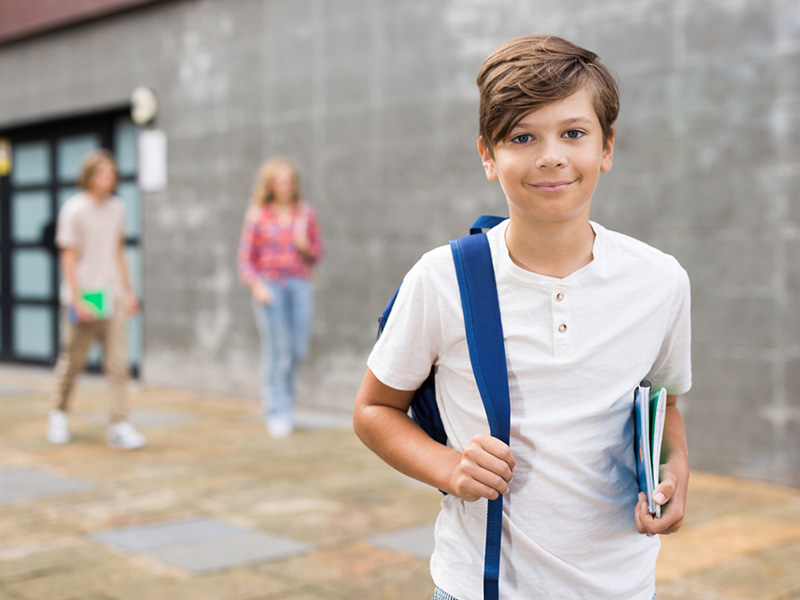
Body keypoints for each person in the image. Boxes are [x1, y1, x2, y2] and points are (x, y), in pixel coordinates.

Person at [353, 35, 691, 600]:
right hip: (479, 586)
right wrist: (447, 467)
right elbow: (373, 409)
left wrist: (676, 470)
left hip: (624, 585)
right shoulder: (443, 280)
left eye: (574, 133)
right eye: (522, 136)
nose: (551, 155)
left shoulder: (660, 281)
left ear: (607, 148)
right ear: (488, 154)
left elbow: (666, 403)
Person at [47, 149, 145, 450]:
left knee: (118, 363)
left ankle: (119, 423)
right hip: (87, 294)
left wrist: (129, 292)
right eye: (103, 173)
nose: (109, 179)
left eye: (112, 173)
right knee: (73, 361)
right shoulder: (74, 209)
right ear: (89, 176)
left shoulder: (118, 208)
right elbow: (68, 256)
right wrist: (76, 299)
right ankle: (59, 414)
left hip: (112, 293)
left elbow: (118, 252)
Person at [238, 158, 323, 438]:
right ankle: (277, 411)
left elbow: (317, 253)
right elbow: (246, 261)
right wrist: (257, 286)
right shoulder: (258, 216)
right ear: (271, 184)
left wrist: (305, 247)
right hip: (270, 286)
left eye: (289, 180)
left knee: (297, 350)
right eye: (279, 180)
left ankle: (287, 404)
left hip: (299, 285)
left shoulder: (305, 213)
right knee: (277, 350)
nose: (285, 185)